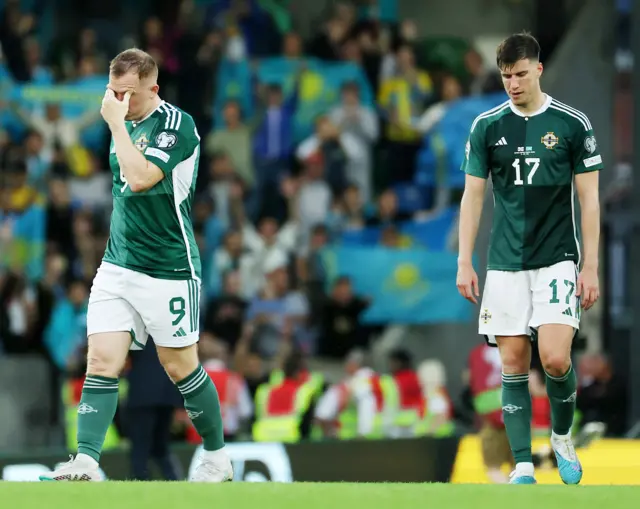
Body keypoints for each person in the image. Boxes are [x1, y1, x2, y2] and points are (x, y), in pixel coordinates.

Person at [40, 49, 232, 482]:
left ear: (154, 89)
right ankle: (87, 460)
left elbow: (142, 177)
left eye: (129, 94)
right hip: (119, 263)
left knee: (180, 367)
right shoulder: (123, 120)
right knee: (102, 360)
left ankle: (218, 456)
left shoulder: (177, 125)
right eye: (113, 93)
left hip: (168, 266)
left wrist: (112, 122)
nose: (120, 102)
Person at [456, 32, 602, 485]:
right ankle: (522, 465)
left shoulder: (572, 123)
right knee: (514, 363)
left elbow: (590, 201)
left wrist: (591, 266)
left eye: (520, 74)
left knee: (555, 359)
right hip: (504, 263)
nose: (513, 84)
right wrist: (465, 260)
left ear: (538, 69)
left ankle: (560, 437)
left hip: (557, 258)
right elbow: (473, 197)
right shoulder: (487, 126)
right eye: (505, 76)